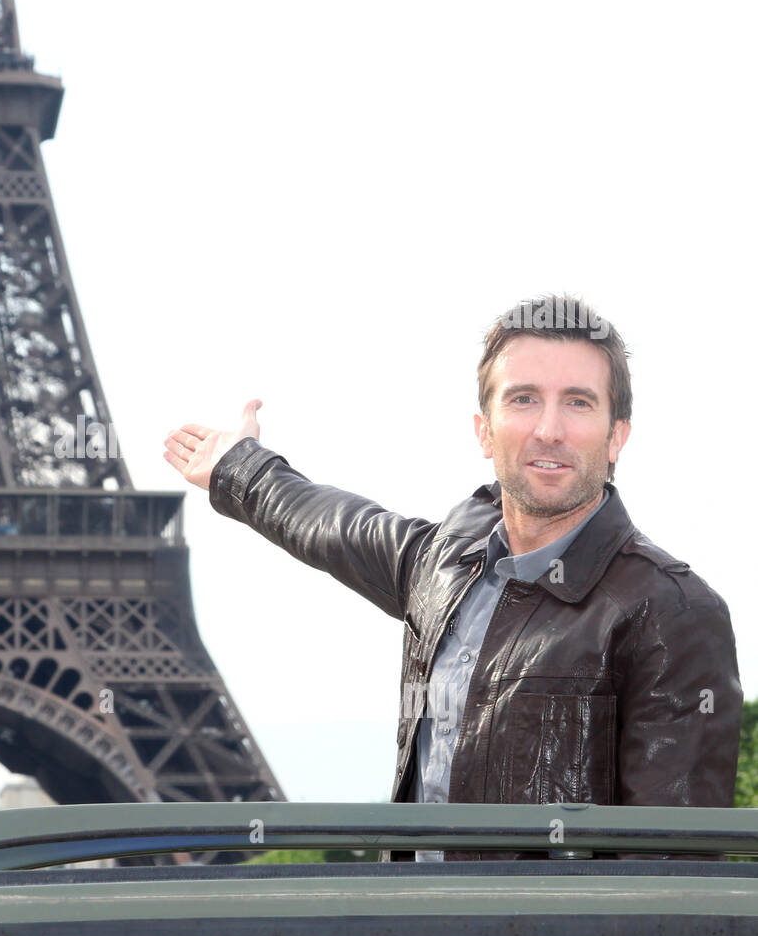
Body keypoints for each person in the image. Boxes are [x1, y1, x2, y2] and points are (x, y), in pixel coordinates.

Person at [162, 295, 742, 864]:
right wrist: (239, 468)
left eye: (579, 403)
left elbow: (669, 872)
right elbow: (339, 528)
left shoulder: (672, 611)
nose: (549, 429)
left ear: (617, 435)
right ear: (484, 430)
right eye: (523, 399)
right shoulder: (444, 565)